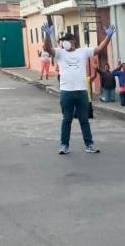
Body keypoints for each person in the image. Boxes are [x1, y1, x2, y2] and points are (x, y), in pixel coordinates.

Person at [42, 23, 115, 155]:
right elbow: (47, 48)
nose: (64, 43)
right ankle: (64, 145)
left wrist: (108, 36)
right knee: (67, 120)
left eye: (67, 41)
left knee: (84, 120)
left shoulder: (83, 52)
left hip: (81, 91)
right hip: (66, 92)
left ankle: (89, 144)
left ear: (73, 41)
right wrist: (47, 35)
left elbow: (98, 49)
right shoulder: (60, 53)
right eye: (63, 41)